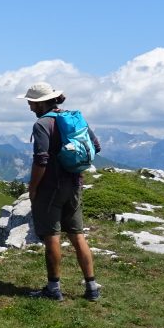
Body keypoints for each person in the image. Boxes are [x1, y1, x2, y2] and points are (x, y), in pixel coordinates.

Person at [23, 82, 102, 301]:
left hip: (50, 188)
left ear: (42, 103)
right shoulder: (75, 119)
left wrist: (33, 187)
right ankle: (92, 287)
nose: (30, 107)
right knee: (77, 235)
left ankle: (53, 289)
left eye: (32, 103)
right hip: (75, 184)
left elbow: (41, 160)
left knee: (52, 237)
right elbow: (95, 146)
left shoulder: (42, 124)